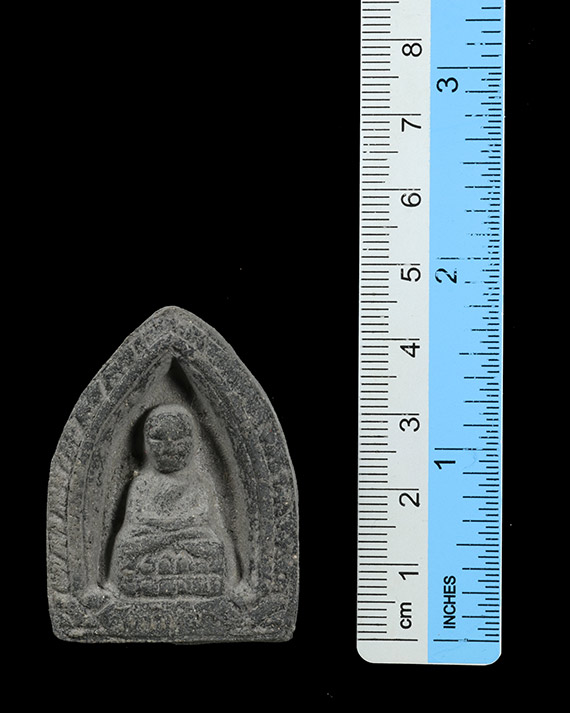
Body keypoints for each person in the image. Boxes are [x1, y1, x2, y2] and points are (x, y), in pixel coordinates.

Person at [110, 404, 231, 597]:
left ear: (192, 443)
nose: (168, 446)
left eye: (178, 438)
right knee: (125, 544)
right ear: (145, 444)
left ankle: (159, 576)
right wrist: (167, 532)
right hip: (152, 536)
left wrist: (172, 531)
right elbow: (136, 520)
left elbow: (200, 518)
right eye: (158, 438)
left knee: (212, 546)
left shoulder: (198, 482)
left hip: (186, 536)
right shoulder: (142, 483)